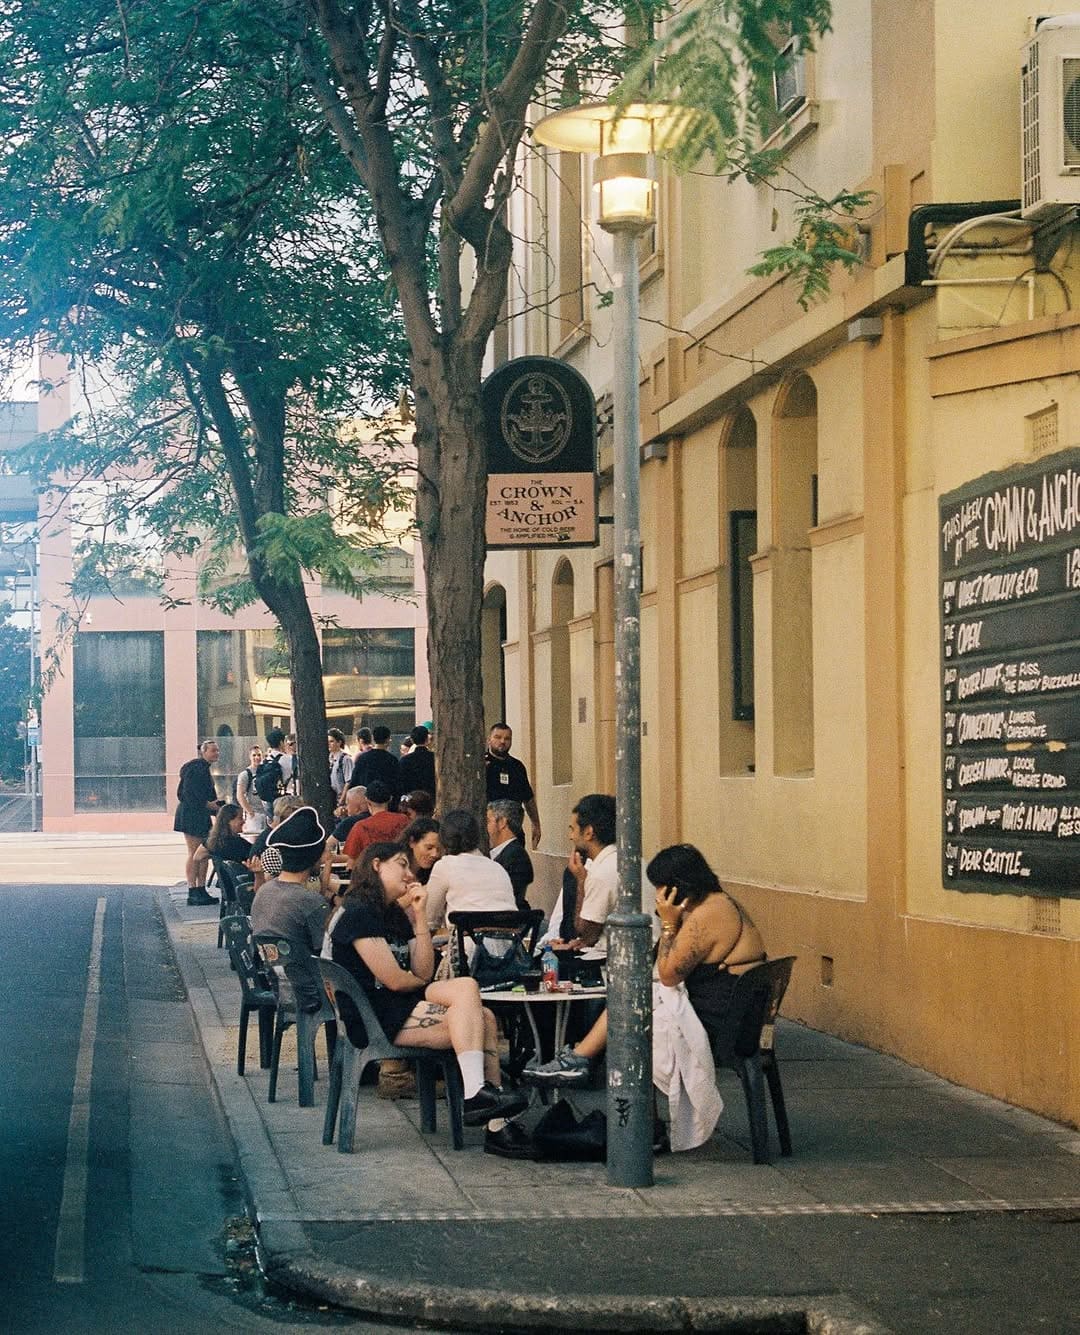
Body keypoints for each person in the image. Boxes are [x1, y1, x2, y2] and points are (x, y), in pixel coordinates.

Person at [526, 844, 763, 1152]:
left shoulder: (709, 914)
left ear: (679, 886)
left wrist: (667, 924)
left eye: (662, 887)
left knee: (631, 1020)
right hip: (731, 1013)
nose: (658, 894)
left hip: (726, 1025)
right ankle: (584, 1064)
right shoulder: (717, 904)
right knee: (635, 1002)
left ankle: (586, 1066)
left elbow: (666, 973)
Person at [330, 842, 530, 1150]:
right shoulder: (359, 912)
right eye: (402, 865)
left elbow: (422, 972)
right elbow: (396, 980)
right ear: (376, 865)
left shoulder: (393, 913)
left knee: (470, 992)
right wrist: (422, 987)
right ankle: (492, 1120)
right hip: (372, 1015)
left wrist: (420, 915)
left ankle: (483, 1104)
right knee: (481, 1017)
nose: (410, 874)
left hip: (398, 1004)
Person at [250, 806, 330, 965]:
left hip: (274, 978)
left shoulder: (264, 891)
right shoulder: (312, 902)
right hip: (309, 984)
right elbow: (327, 954)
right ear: (313, 858)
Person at [423, 808, 516, 933]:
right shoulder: (497, 867)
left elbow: (429, 919)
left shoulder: (444, 866)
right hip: (509, 948)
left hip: (467, 947)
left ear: (443, 838)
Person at [548, 793, 617, 957]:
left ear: (588, 832)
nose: (570, 837)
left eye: (573, 829)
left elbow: (585, 931)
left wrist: (581, 881)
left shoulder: (601, 874)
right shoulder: (626, 861)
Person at [174, 739, 223, 906]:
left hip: (198, 814)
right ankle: (193, 889)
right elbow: (189, 794)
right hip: (191, 815)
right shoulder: (197, 769)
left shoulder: (201, 768)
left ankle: (200, 889)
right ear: (204, 752)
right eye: (213, 751)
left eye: (217, 750)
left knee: (204, 854)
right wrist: (208, 805)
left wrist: (213, 806)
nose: (216, 753)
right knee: (195, 852)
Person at [484, 724, 541, 849]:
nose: (502, 741)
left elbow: (528, 798)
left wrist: (536, 824)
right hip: (489, 833)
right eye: (498, 737)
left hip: (514, 833)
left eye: (507, 738)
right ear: (489, 739)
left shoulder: (517, 766)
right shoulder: (482, 765)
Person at [341, 779, 409, 862]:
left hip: (370, 873)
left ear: (367, 801)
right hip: (400, 871)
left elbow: (351, 861)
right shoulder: (404, 820)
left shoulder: (361, 826)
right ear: (390, 799)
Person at [486, 799, 534, 910]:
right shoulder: (504, 853)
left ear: (502, 823)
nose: (485, 827)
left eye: (488, 821)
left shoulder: (516, 857)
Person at [349, 725, 401, 805]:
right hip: (386, 803)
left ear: (373, 738)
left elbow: (354, 780)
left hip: (367, 802)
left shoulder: (363, 758)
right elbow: (397, 784)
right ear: (388, 740)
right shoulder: (392, 760)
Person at [196, 802, 253, 871]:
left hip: (224, 879)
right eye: (240, 818)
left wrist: (215, 857)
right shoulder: (238, 844)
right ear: (229, 821)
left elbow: (197, 856)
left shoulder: (213, 841)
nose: (243, 821)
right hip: (242, 879)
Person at [398, 725, 436, 802]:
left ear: (412, 740)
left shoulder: (405, 760)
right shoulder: (434, 758)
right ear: (427, 739)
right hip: (431, 798)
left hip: (412, 799)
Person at [235, 745, 267, 836]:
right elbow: (240, 795)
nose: (257, 757)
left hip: (267, 813)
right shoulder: (245, 774)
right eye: (254, 755)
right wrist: (250, 812)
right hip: (254, 814)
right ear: (250, 757)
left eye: (259, 755)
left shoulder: (266, 772)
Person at [328, 786, 368, 854]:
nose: (345, 808)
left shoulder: (349, 822)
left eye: (347, 804)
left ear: (356, 807)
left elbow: (329, 845)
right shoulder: (376, 818)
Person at [402, 816, 441, 885]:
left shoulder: (435, 875)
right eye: (429, 848)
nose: (435, 854)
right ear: (412, 842)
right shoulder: (393, 872)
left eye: (439, 849)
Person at [328, 728, 354, 810]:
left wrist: (341, 801)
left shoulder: (345, 759)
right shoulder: (328, 758)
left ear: (339, 742)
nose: (328, 744)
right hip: (331, 799)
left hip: (342, 801)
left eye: (331, 741)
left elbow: (348, 781)